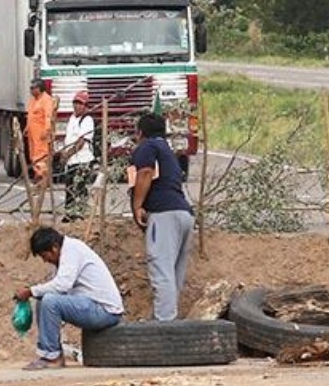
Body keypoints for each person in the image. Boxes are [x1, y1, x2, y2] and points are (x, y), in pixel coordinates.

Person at [14, 226, 124, 370]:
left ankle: (52, 357)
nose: (45, 261)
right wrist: (35, 292)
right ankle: (51, 354)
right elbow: (57, 288)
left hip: (104, 311)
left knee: (49, 301)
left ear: (54, 248)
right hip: (92, 306)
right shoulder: (64, 254)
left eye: (44, 256)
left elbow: (61, 286)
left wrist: (30, 291)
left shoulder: (72, 251)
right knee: (44, 300)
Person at [130, 112, 195, 321]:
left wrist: (138, 205)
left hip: (164, 215)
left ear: (140, 133)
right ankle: (170, 321)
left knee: (162, 271)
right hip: (184, 214)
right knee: (174, 274)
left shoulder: (147, 147)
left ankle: (164, 325)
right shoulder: (168, 151)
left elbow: (145, 172)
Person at [57, 90, 95, 221]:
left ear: (85, 106)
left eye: (80, 104)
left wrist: (68, 154)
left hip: (83, 159)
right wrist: (63, 152)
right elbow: (68, 138)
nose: (77, 106)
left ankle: (80, 213)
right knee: (69, 187)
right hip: (71, 160)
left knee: (79, 187)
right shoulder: (72, 119)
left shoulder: (87, 120)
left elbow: (81, 143)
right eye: (75, 103)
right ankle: (69, 214)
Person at [25, 79, 57, 183]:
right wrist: (27, 128)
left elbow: (48, 116)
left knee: (41, 156)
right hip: (32, 134)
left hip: (41, 134)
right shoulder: (33, 100)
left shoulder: (46, 100)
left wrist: (46, 130)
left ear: (39, 88)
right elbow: (30, 116)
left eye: (33, 88)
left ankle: (42, 177)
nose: (31, 91)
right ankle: (37, 174)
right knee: (33, 155)